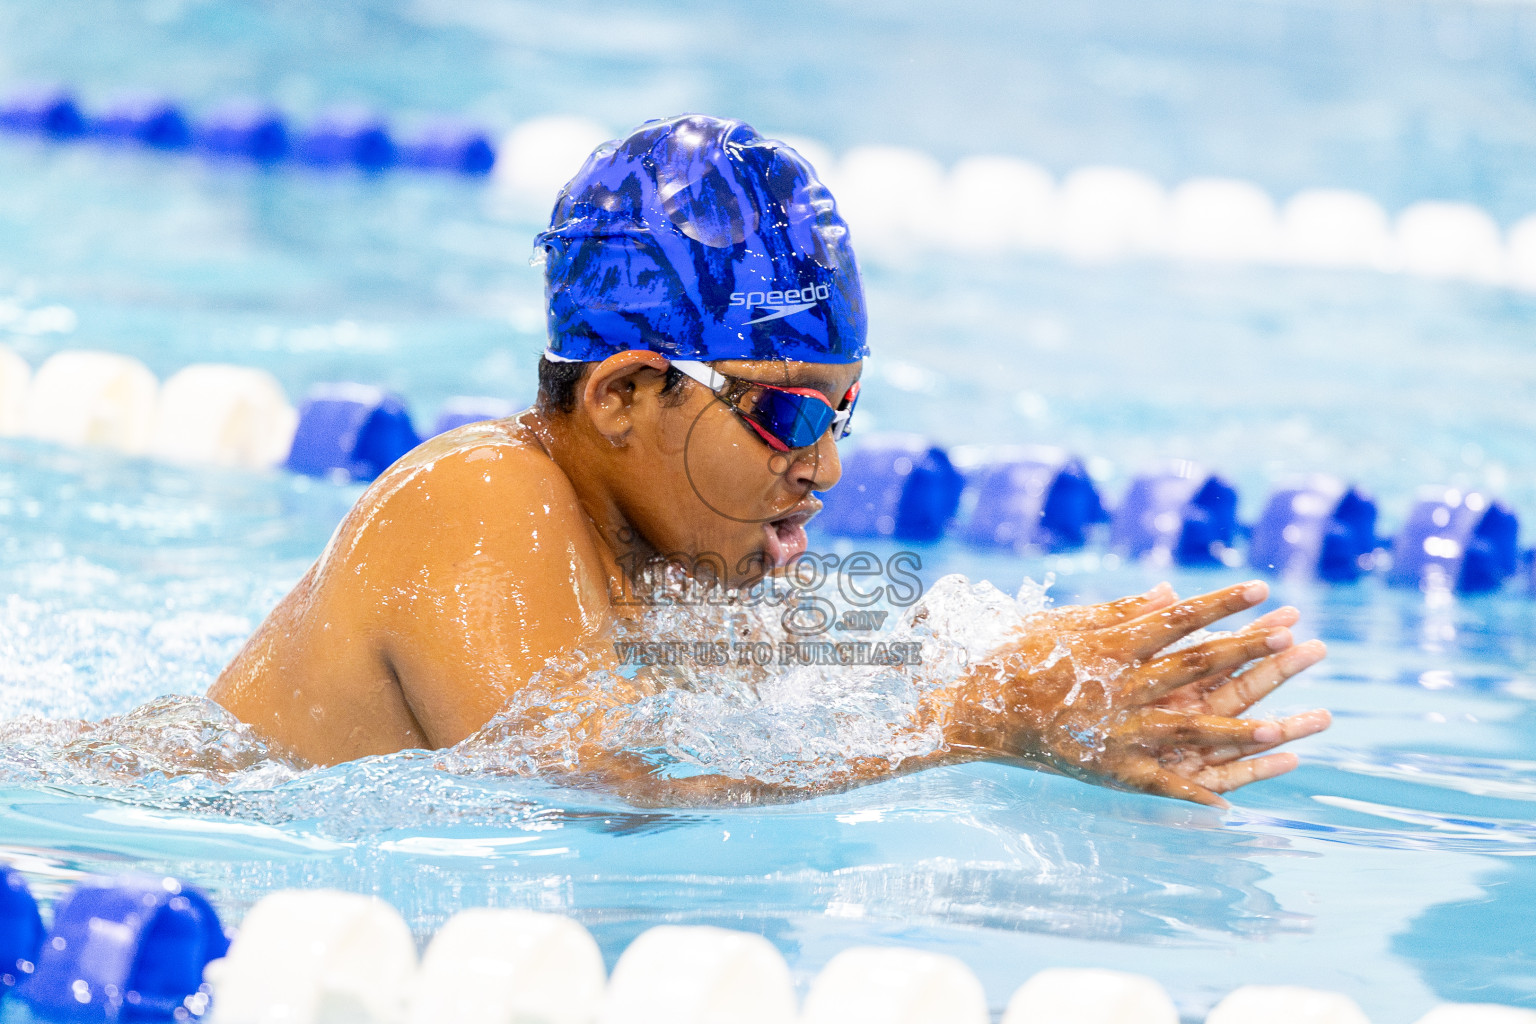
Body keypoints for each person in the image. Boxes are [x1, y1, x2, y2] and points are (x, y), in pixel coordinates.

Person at [210, 114, 1330, 807]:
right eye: (789, 415)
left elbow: (873, 677)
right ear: (621, 395)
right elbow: (587, 805)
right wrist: (973, 729)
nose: (830, 466)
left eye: (847, 410)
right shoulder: (474, 495)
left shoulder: (676, 561)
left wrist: (1054, 682)